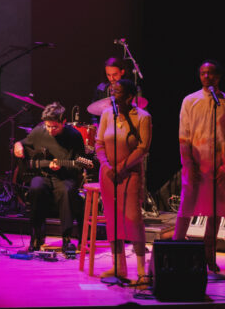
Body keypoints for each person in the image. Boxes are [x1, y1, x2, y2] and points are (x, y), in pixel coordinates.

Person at [95, 78, 151, 284]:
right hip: (108, 175)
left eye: (117, 92)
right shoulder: (107, 114)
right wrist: (107, 166)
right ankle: (118, 266)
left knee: (133, 219)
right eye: (112, 91)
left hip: (130, 174)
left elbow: (142, 148)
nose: (112, 94)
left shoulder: (142, 117)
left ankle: (142, 271)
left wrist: (122, 167)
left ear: (129, 97)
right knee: (112, 219)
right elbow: (99, 143)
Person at [172, 60, 225, 273]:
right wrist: (188, 164)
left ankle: (209, 257)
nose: (206, 77)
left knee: (216, 212)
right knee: (186, 209)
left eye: (210, 73)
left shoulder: (223, 102)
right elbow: (184, 135)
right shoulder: (190, 100)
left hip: (218, 168)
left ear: (218, 76)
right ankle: (174, 252)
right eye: (203, 73)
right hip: (195, 165)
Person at [14, 102, 86, 252]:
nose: (51, 130)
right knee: (36, 187)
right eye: (48, 126)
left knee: (66, 191)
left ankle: (66, 239)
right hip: (43, 175)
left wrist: (62, 166)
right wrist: (18, 145)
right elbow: (24, 143)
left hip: (65, 177)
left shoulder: (74, 136)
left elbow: (80, 163)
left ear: (63, 122)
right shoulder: (39, 131)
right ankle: (36, 237)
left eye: (55, 127)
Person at [89, 58, 133, 122]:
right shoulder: (101, 89)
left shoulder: (130, 88)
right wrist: (95, 124)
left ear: (122, 72)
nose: (111, 78)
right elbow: (93, 111)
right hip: (106, 125)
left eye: (115, 74)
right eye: (108, 75)